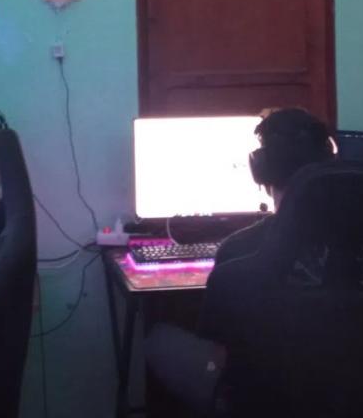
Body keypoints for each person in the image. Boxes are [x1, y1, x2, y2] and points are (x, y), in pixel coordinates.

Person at [143, 107, 334, 415]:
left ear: (260, 170)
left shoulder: (237, 249)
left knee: (157, 339)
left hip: (257, 396)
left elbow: (215, 339)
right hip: (342, 389)